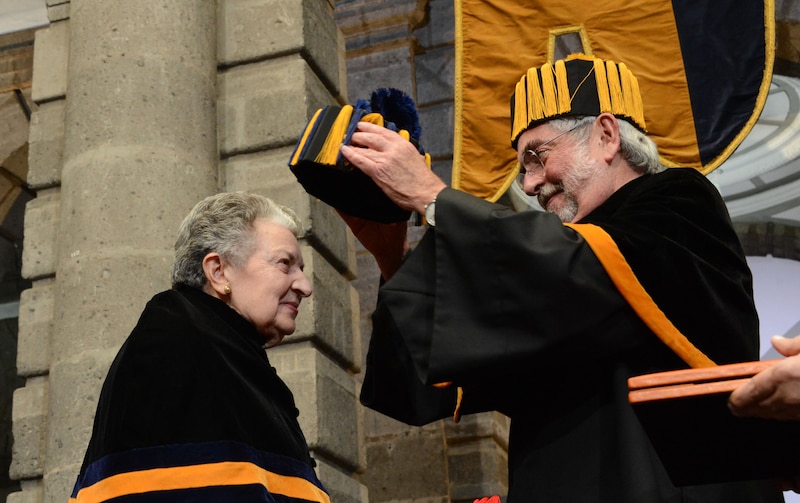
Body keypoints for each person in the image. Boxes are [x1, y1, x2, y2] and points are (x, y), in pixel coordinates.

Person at [337, 53, 784, 502]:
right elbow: (427, 389)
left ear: (606, 136)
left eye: (537, 155)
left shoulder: (679, 203)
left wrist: (432, 196)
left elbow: (581, 274)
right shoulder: (551, 268)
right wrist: (391, 255)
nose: (529, 185)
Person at [70, 192, 329, 503]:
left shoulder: (223, 350)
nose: (305, 286)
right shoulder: (178, 345)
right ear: (218, 272)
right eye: (285, 264)